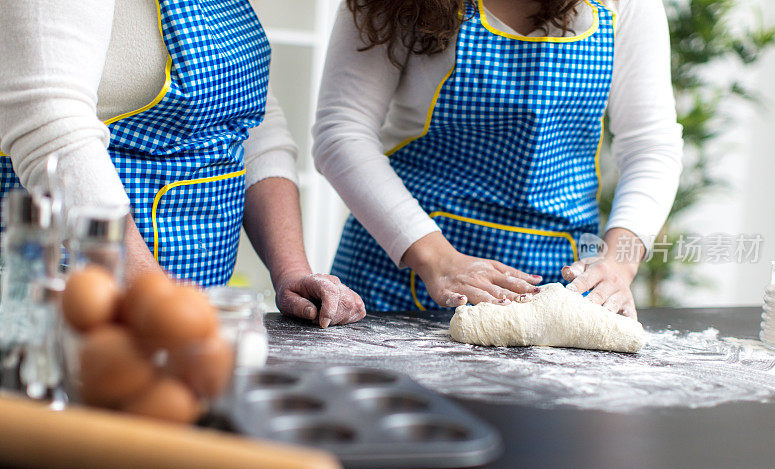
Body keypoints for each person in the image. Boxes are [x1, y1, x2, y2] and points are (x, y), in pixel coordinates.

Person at [0, 0, 365, 328]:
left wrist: (292, 271)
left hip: (183, 317)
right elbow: (49, 125)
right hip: (74, 305)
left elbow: (251, 123)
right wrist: (159, 298)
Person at [313, 0, 683, 317]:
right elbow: (343, 131)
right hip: (398, 276)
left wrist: (620, 262)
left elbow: (651, 145)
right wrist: (435, 258)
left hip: (556, 286)